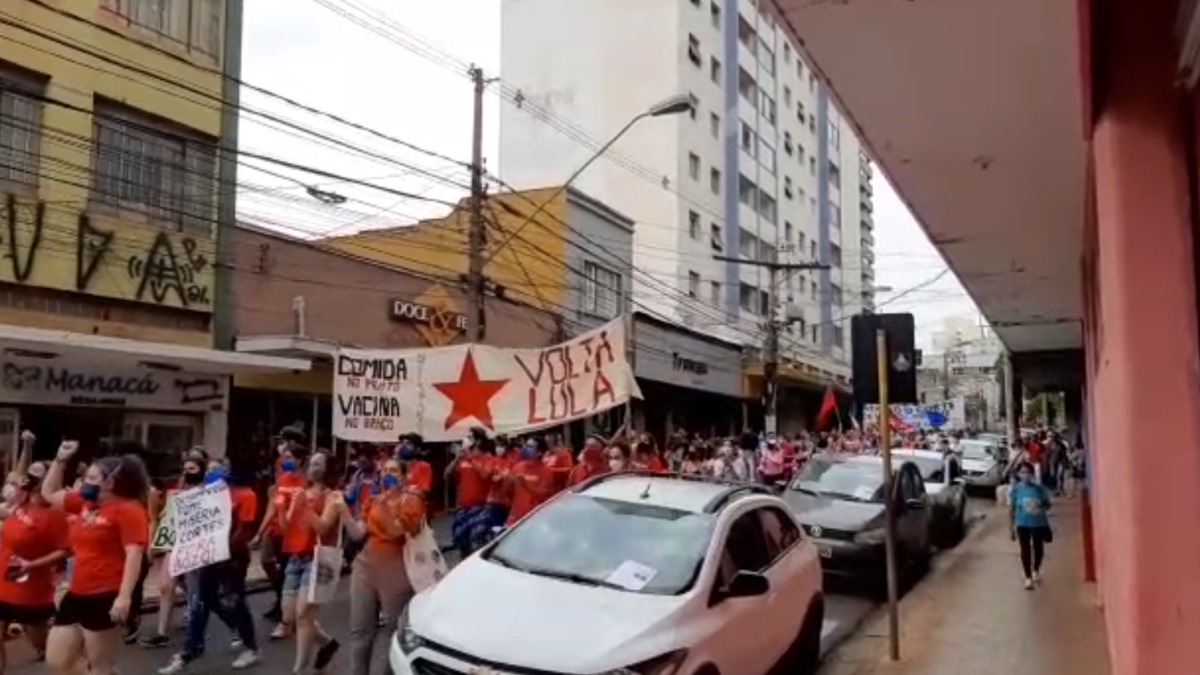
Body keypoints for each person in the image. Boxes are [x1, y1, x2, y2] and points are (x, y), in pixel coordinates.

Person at [41, 441, 151, 675]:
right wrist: (60, 460)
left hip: (106, 594)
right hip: (77, 592)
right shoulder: (85, 503)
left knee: (99, 665)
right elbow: (49, 493)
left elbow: (135, 554)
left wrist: (123, 597)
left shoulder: (129, 510)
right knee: (57, 659)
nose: (85, 482)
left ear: (110, 482)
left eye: (91, 478)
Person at [158, 458, 260, 673]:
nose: (213, 472)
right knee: (199, 605)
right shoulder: (200, 496)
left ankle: (250, 648)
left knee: (235, 602)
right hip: (206, 559)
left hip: (232, 559)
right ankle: (188, 653)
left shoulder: (243, 495)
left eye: (218, 468)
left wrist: (223, 547)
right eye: (210, 469)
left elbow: (245, 530)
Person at [345, 458, 423, 675]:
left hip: (395, 569)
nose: (388, 474)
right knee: (360, 631)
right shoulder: (372, 500)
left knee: (392, 632)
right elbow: (358, 533)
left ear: (404, 476)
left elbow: (395, 531)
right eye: (385, 470)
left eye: (394, 471)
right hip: (365, 566)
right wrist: (343, 511)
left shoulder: (412, 501)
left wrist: (388, 501)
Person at [0, 460, 69, 672]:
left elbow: (66, 550)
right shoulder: (23, 501)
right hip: (5, 579)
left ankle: (77, 665)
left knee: (43, 643)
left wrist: (32, 565)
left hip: (32, 589)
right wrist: (27, 445)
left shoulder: (55, 514)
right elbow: (17, 476)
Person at [280, 452, 342, 674]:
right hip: (296, 557)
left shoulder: (333, 496)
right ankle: (328, 644)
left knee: (304, 615)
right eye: (311, 463)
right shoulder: (302, 493)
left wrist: (304, 505)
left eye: (318, 463)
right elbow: (286, 526)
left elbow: (324, 527)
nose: (312, 467)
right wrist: (279, 505)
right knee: (289, 616)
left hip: (318, 559)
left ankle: (299, 669)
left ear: (327, 469)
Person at [250, 439, 308, 635]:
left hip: (293, 536)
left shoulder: (306, 482)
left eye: (290, 457)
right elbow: (273, 506)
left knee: (286, 571)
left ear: (301, 460)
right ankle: (282, 598)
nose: (285, 460)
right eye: (284, 457)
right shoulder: (282, 479)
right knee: (266, 561)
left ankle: (286, 618)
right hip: (275, 530)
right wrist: (260, 532)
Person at [447, 428, 495, 558]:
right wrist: (457, 458)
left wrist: (471, 459)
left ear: (478, 441)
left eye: (470, 437)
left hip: (480, 508)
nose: (466, 440)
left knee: (477, 545)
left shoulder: (488, 458)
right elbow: (447, 475)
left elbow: (485, 475)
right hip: (462, 508)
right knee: (462, 544)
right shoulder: (462, 459)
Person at [1009, 461, 1053, 590]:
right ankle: (1028, 577)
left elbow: (1048, 505)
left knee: (1038, 549)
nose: (1025, 475)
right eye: (1022, 472)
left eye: (1028, 472)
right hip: (1022, 524)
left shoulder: (1040, 489)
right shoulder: (1016, 490)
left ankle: (1035, 570)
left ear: (1032, 474)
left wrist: (1039, 506)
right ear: (1018, 474)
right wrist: (1011, 527)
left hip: (1038, 523)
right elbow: (1011, 509)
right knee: (1025, 550)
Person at [505, 438, 554, 526]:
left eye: (530, 446)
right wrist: (508, 481)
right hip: (514, 517)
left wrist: (525, 484)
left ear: (540, 452)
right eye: (526, 445)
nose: (525, 448)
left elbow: (543, 495)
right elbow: (508, 492)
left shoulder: (546, 471)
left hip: (533, 519)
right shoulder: (517, 466)